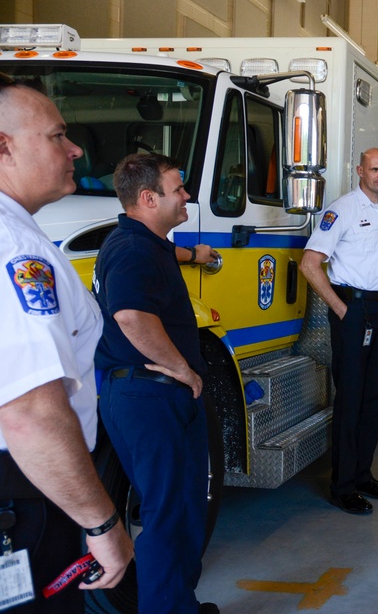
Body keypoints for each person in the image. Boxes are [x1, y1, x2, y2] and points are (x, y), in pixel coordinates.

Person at [0, 74, 132, 612]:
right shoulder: (15, 249)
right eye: (57, 136)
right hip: (21, 496)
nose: (76, 148)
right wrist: (101, 523)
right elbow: (30, 411)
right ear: (3, 147)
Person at [92, 153, 217, 614]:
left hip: (160, 395)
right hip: (148, 395)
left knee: (184, 511)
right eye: (178, 188)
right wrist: (182, 369)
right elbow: (130, 316)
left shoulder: (151, 243)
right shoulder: (132, 249)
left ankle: (180, 603)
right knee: (167, 515)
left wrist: (197, 254)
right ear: (148, 198)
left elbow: (170, 260)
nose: (187, 195)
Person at [301, 148, 378, 515]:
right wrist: (342, 310)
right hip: (353, 311)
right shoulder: (342, 209)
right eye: (375, 169)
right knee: (351, 399)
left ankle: (363, 475)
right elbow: (310, 265)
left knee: (376, 397)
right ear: (360, 170)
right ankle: (342, 486)